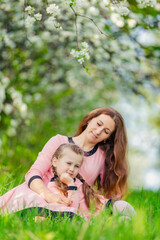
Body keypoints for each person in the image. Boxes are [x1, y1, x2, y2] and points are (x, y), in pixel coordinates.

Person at [0, 107, 135, 218]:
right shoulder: (58, 141)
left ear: (107, 138)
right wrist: (47, 195)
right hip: (44, 193)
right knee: (39, 210)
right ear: (89, 120)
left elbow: (110, 189)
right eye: (99, 124)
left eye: (106, 131)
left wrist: (111, 205)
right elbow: (34, 173)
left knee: (123, 208)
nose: (98, 131)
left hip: (77, 199)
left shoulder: (102, 157)